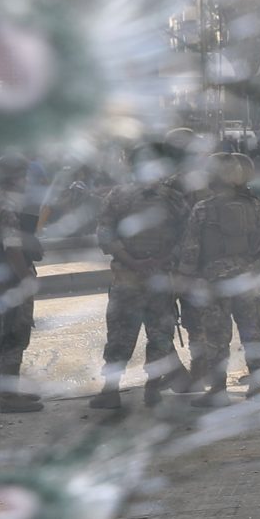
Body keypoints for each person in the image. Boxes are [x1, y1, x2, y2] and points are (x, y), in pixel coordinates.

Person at [90, 142, 190, 410]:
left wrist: (132, 261)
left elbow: (105, 235)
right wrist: (161, 260)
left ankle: (111, 391)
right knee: (160, 335)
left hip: (127, 278)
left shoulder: (118, 196)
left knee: (120, 336)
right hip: (160, 277)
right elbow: (186, 238)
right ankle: (153, 389)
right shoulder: (173, 198)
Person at [178, 150, 260, 402]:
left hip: (214, 282)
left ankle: (218, 389)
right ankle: (256, 386)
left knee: (216, 337)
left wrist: (186, 279)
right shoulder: (254, 205)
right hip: (247, 278)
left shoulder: (203, 208)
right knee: (252, 331)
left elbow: (191, 250)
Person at [0, 155, 43, 413]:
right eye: (25, 176)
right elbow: (12, 249)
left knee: (4, 336)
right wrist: (27, 279)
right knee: (14, 337)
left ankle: (8, 392)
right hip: (12, 281)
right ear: (16, 177)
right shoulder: (5, 208)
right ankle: (7, 397)